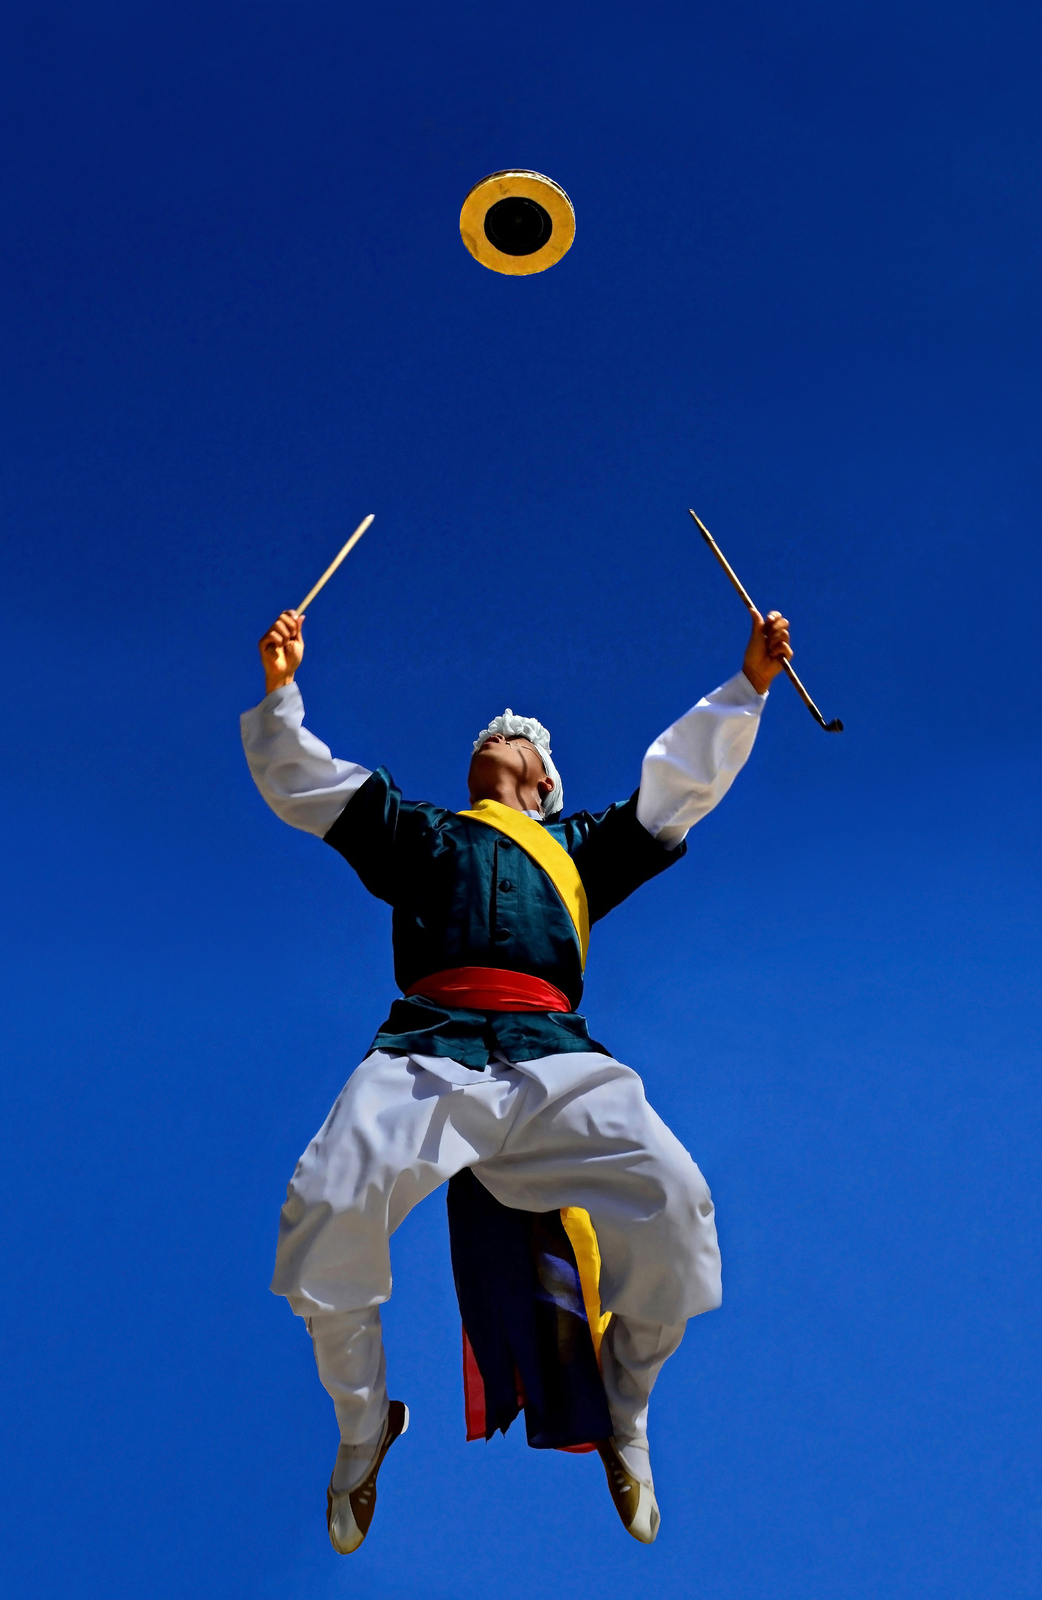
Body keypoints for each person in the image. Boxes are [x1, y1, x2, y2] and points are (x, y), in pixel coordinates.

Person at [241, 599, 792, 1552]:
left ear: (542, 782)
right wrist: (281, 692)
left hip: (556, 1059)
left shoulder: (578, 850)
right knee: (326, 1205)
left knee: (678, 1206)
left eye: (517, 735)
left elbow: (674, 787)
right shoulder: (422, 834)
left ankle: (624, 1409)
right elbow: (308, 784)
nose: (496, 733)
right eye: (491, 732)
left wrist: (747, 685)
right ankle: (363, 1426)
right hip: (425, 1050)